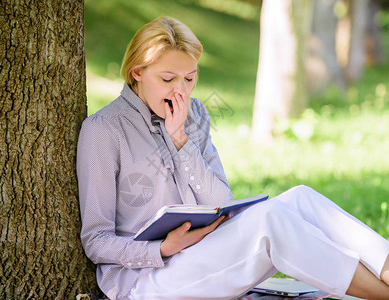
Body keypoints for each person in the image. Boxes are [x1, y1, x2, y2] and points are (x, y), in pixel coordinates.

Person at [77, 16, 389, 300]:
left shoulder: (194, 114)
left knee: (301, 199)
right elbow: (96, 239)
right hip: (146, 282)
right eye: (168, 79)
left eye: (189, 78)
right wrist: (161, 248)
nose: (180, 92)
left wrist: (180, 141)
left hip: (205, 255)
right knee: (271, 220)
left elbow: (221, 199)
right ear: (138, 73)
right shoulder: (104, 130)